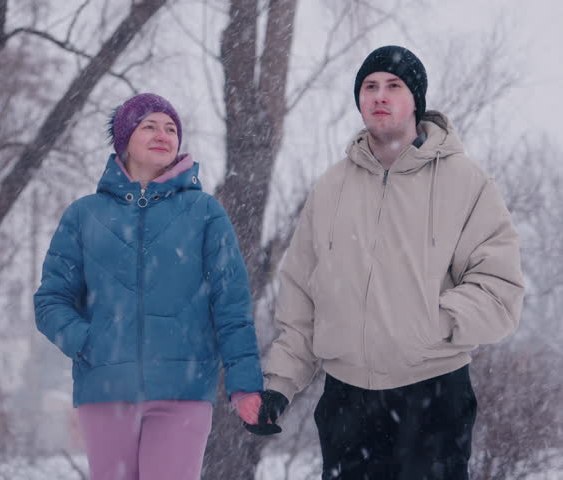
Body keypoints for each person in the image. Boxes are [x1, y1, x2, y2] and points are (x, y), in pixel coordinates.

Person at [244, 46, 525, 479]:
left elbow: (499, 292)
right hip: (347, 403)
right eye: (370, 86)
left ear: (416, 100)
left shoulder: (465, 182)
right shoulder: (330, 189)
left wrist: (431, 324)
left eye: (393, 86)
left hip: (433, 397)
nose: (380, 95)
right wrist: (280, 384)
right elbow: (301, 300)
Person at [34, 93, 264, 480]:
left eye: (171, 128)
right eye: (150, 126)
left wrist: (245, 386)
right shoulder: (84, 215)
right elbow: (51, 300)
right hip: (106, 391)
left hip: (183, 390)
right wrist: (88, 343)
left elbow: (232, 304)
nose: (163, 134)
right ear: (124, 140)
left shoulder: (205, 212)